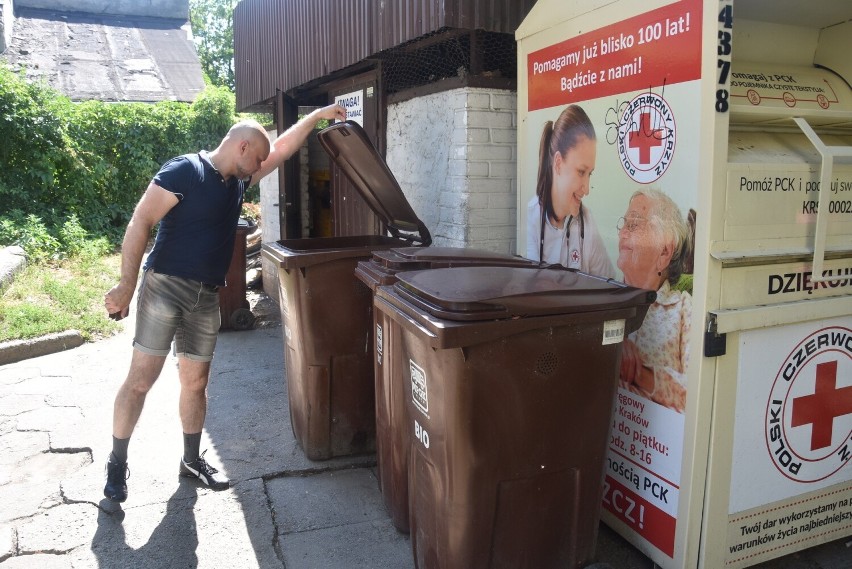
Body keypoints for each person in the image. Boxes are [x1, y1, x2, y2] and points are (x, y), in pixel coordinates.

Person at [102, 103, 347, 502]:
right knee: (141, 380)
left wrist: (317, 115)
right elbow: (140, 221)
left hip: (206, 296)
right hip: (165, 287)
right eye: (257, 160)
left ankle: (190, 459)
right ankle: (116, 462)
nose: (260, 168)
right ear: (243, 147)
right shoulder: (186, 171)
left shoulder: (236, 183)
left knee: (195, 383)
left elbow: (282, 148)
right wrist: (127, 285)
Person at [616, 189, 692, 413]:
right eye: (624, 223)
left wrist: (640, 374)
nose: (622, 233)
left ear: (664, 252)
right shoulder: (604, 298)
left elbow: (696, 392)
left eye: (635, 224)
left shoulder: (683, 309)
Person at [526, 104, 614, 278]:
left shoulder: (587, 223)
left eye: (590, 174)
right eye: (581, 172)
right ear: (558, 163)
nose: (587, 189)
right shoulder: (531, 216)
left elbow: (609, 287)